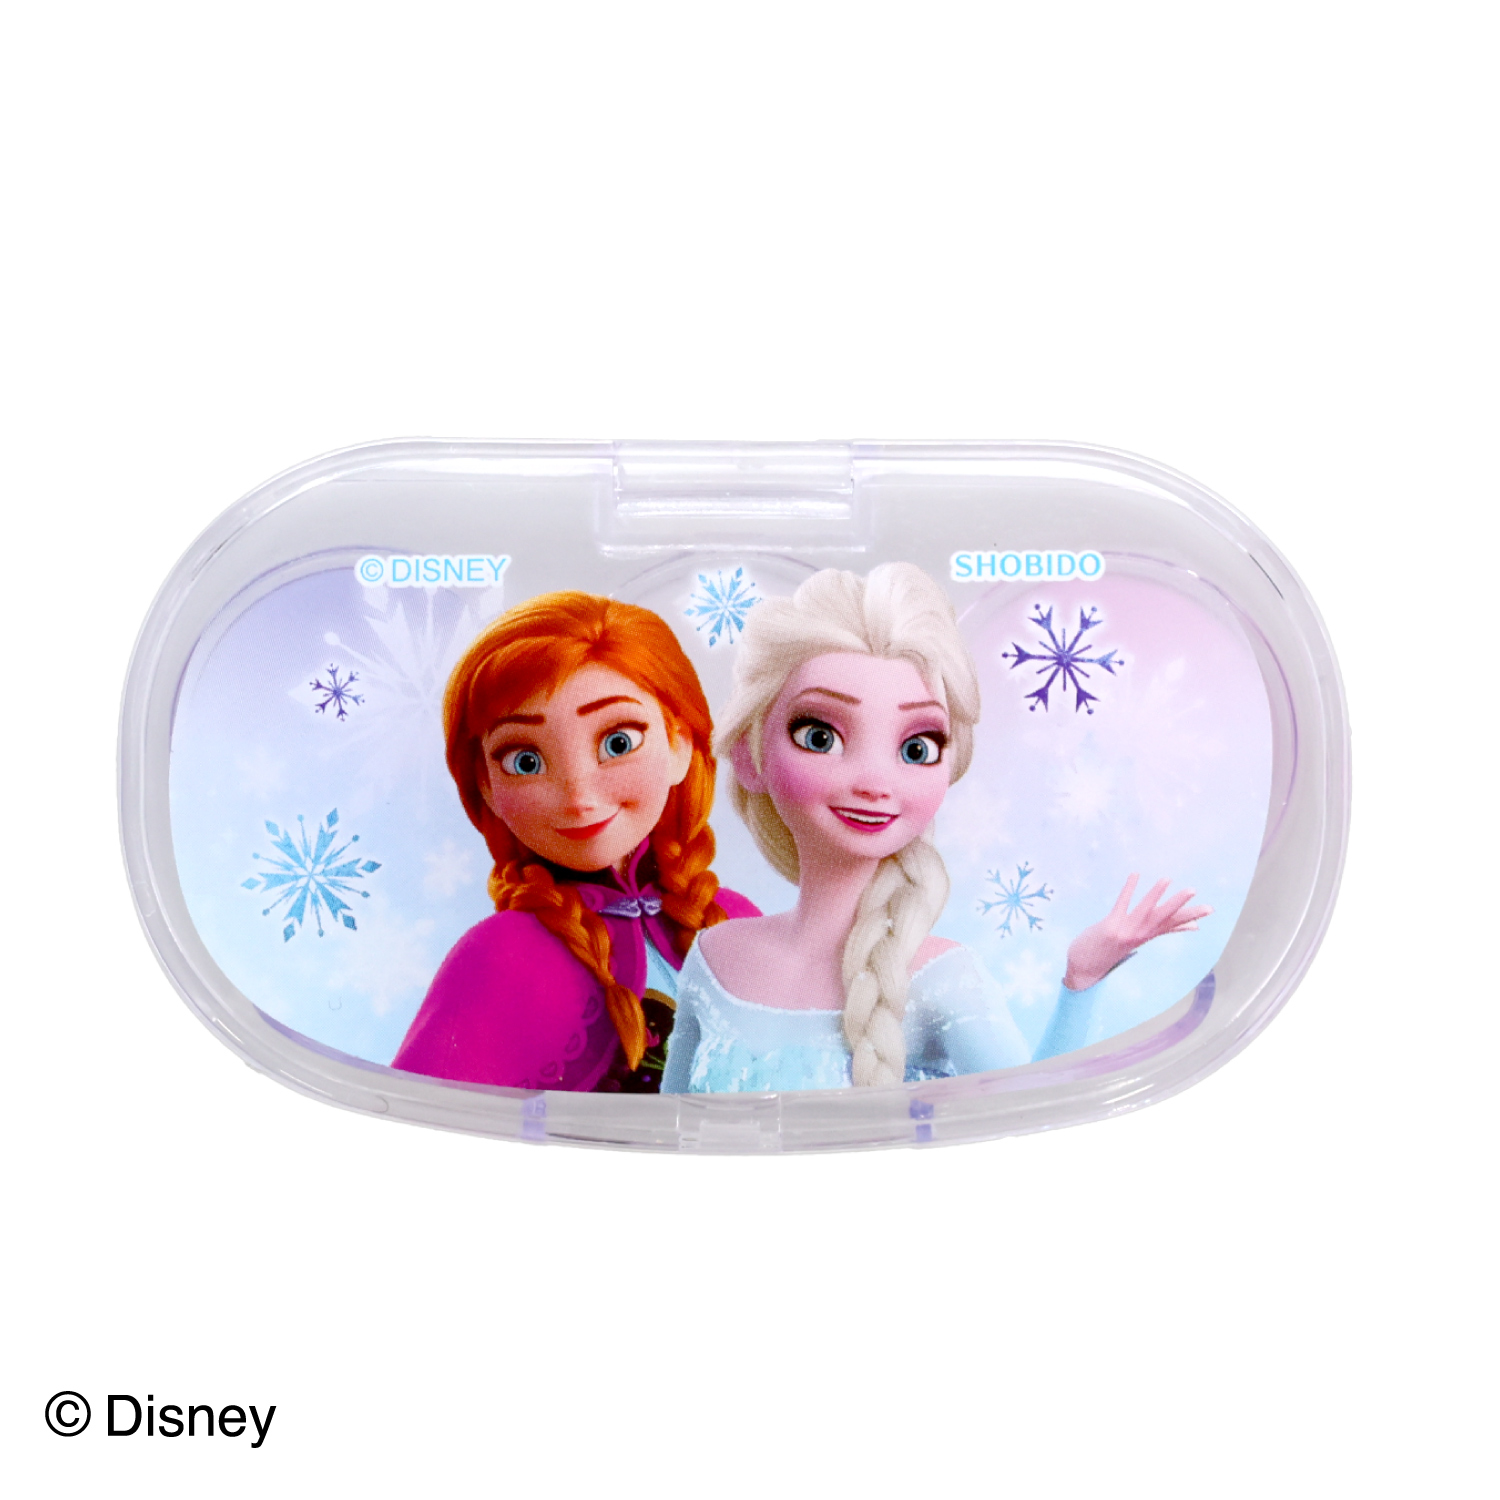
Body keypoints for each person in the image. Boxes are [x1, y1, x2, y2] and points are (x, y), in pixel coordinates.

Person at [661, 563, 1209, 1092]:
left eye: (917, 748)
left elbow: (1028, 1112)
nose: (875, 783)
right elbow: (669, 1127)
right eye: (819, 736)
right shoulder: (715, 958)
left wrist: (1080, 982)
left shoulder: (941, 979)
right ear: (749, 756)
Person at [392, 592, 758, 1092]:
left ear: (679, 744)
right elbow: (419, 1118)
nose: (578, 797)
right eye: (525, 761)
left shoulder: (733, 920)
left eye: (618, 742)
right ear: (486, 786)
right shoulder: (500, 956)